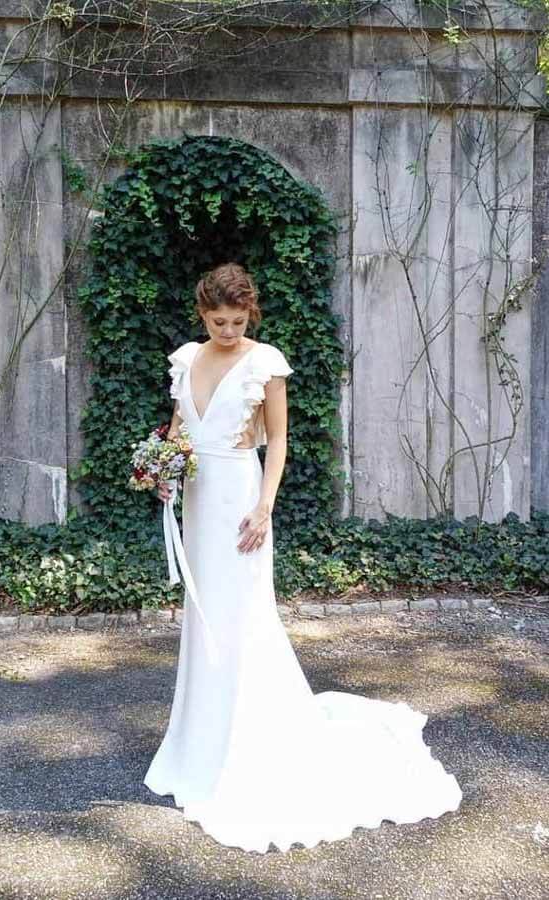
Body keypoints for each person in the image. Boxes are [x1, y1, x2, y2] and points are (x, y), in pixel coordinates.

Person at [143, 262, 462, 853]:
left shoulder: (265, 362)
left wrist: (264, 507)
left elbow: (280, 439)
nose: (228, 331)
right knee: (205, 617)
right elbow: (180, 432)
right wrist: (164, 471)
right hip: (198, 501)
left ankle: (249, 746)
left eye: (238, 322)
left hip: (242, 501)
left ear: (250, 315)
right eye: (218, 322)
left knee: (244, 617)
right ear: (203, 314)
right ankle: (199, 745)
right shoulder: (186, 359)